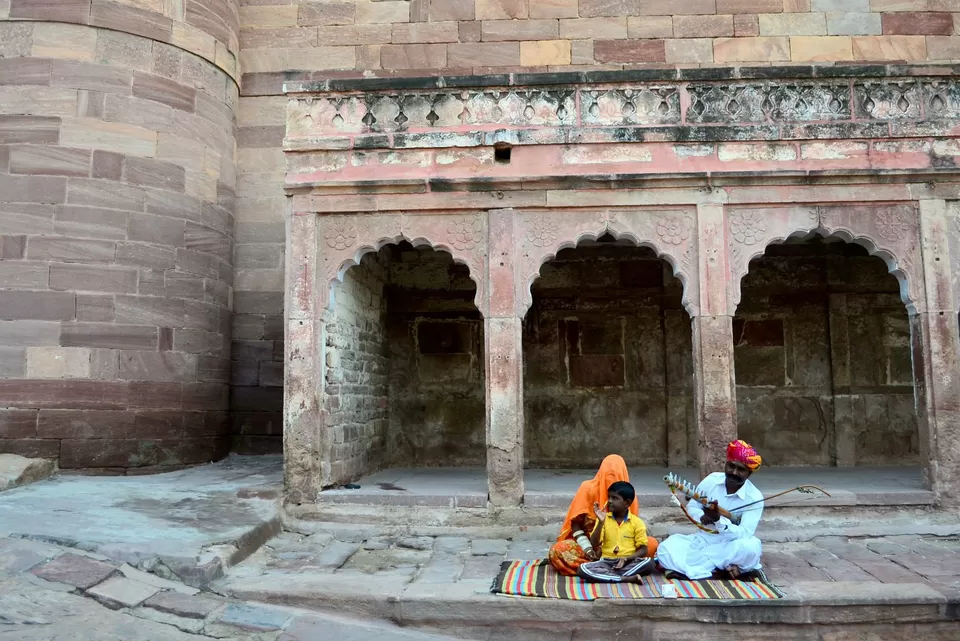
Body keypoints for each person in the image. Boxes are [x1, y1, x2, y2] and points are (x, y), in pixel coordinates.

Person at [655, 440, 765, 581]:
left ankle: (708, 568)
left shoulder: (754, 497)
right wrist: (702, 517)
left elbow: (745, 533)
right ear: (726, 464)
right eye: (731, 466)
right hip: (704, 540)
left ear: (749, 473)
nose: (734, 472)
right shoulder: (712, 480)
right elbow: (693, 505)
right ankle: (725, 569)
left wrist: (719, 521)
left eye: (741, 469)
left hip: (729, 545)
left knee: (752, 547)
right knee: (666, 548)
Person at [547, 455, 658, 576]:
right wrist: (588, 548)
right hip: (589, 546)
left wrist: (625, 556)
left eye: (616, 475)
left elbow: (634, 531)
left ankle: (601, 569)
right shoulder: (587, 489)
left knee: (652, 545)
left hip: (623, 551)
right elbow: (576, 524)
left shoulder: (629, 496)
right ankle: (612, 569)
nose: (610, 500)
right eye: (608, 475)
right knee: (557, 551)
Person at [577, 481, 655, 582]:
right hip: (606, 563)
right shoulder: (604, 519)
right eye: (609, 497)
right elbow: (594, 543)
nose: (609, 501)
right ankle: (624, 579)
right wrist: (600, 523)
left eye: (614, 498)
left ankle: (610, 577)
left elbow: (643, 550)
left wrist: (626, 559)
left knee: (650, 563)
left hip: (628, 562)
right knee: (581, 570)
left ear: (627, 502)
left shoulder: (637, 522)